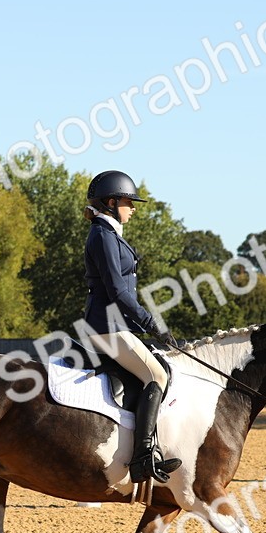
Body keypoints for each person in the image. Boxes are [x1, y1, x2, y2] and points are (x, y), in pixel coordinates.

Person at [82, 169, 181, 485]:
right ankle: (143, 458)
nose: (133, 208)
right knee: (157, 375)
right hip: (107, 327)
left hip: (115, 325)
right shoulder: (102, 235)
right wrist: (152, 324)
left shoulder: (109, 234)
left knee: (152, 373)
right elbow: (117, 291)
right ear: (111, 203)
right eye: (129, 202)